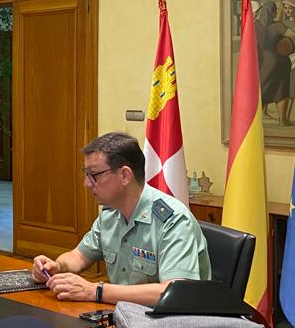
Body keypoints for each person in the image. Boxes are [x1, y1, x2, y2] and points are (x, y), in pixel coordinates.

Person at [32, 131, 210, 306]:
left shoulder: (173, 220)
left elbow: (174, 292)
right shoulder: (111, 214)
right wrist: (56, 266)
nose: (86, 184)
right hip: (125, 316)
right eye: (86, 174)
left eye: (94, 175)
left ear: (125, 176)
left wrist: (96, 291)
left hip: (171, 325)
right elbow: (79, 256)